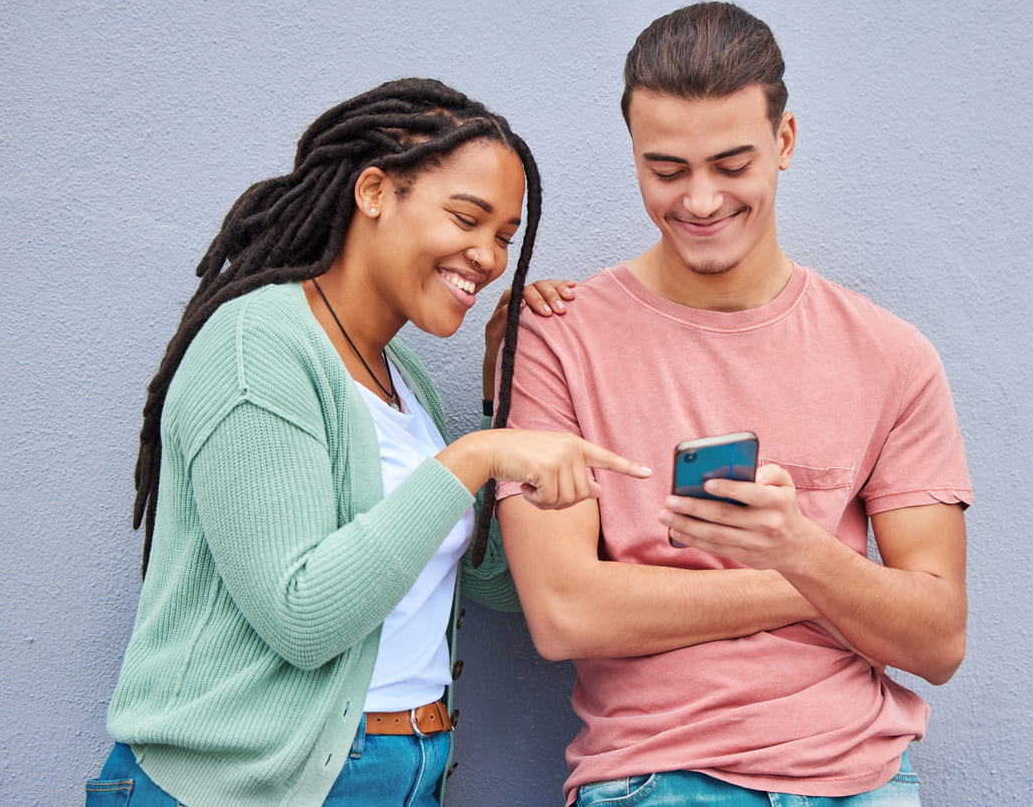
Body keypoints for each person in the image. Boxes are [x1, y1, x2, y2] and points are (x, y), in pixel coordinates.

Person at [86, 77, 649, 807]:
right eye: (467, 218)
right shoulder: (257, 345)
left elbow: (489, 584)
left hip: (403, 771)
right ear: (375, 191)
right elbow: (302, 617)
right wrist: (475, 456)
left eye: (505, 237)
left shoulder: (402, 377)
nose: (488, 256)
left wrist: (501, 397)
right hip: (241, 788)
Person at [494, 3, 972, 806]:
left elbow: (939, 638)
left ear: (783, 143)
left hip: (863, 780)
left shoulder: (891, 355)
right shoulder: (557, 336)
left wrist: (798, 549)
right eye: (668, 170)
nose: (702, 201)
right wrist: (819, 581)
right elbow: (565, 611)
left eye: (730, 163)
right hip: (655, 779)